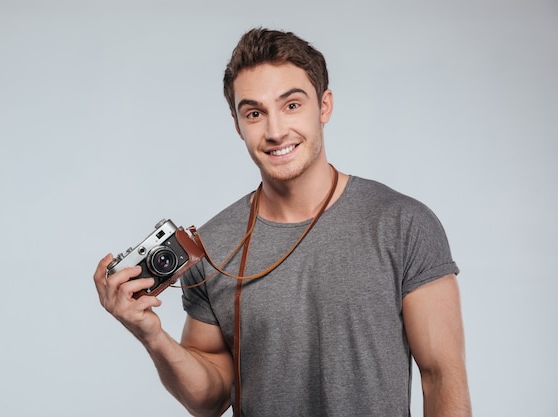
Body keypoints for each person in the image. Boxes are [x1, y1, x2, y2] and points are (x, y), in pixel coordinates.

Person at [94, 28, 472, 417]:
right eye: (255, 113)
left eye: (291, 105)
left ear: (324, 106)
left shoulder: (402, 224)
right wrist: (152, 335)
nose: (275, 132)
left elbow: (441, 376)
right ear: (237, 124)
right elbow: (208, 399)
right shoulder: (212, 246)